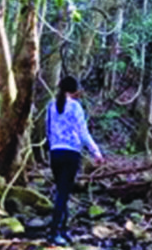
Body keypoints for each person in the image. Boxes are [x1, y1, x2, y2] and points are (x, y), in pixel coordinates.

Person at [45, 75, 103, 245]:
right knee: (63, 193)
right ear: (74, 90)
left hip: (55, 153)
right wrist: (96, 152)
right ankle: (54, 232)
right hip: (71, 154)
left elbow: (47, 130)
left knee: (61, 192)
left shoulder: (51, 106)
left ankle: (63, 229)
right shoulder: (75, 107)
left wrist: (52, 146)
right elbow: (83, 132)